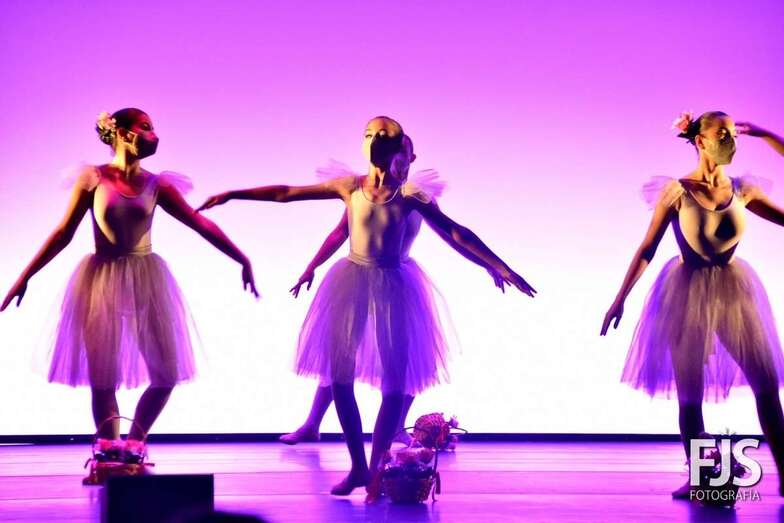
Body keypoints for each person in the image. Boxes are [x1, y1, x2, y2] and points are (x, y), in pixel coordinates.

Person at [198, 116, 535, 499]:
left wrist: (498, 265)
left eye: (385, 136)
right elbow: (288, 193)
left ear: (402, 150)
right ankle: (358, 465)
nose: (376, 140)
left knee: (395, 383)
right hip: (352, 280)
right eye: (369, 134)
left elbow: (454, 233)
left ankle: (376, 469)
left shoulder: (410, 196)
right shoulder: (350, 187)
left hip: (395, 285)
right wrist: (235, 194)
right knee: (339, 377)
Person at [1, 108, 258, 459]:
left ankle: (135, 443)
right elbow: (63, 233)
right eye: (145, 127)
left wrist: (241, 257)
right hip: (101, 280)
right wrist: (25, 276)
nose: (154, 135)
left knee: (166, 373)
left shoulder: (157, 185)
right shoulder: (93, 178)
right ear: (122, 132)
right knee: (102, 377)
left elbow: (199, 223)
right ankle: (108, 449)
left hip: (146, 279)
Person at [601, 110, 784, 497]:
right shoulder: (678, 192)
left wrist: (768, 135)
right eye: (723, 133)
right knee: (690, 395)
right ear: (700, 140)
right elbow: (647, 247)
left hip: (735, 294)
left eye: (734, 134)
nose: (731, 141)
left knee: (767, 387)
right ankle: (700, 477)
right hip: (685, 294)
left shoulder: (743, 190)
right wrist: (620, 298)